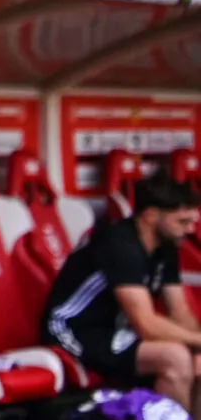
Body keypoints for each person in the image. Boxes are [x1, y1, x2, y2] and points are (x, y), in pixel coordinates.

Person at [42, 173, 201, 414]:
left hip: (116, 331)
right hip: (73, 329)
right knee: (174, 357)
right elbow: (146, 324)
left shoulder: (166, 245)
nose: (190, 230)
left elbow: (180, 312)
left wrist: (198, 347)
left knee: (195, 357)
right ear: (151, 215)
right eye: (182, 222)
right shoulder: (119, 244)